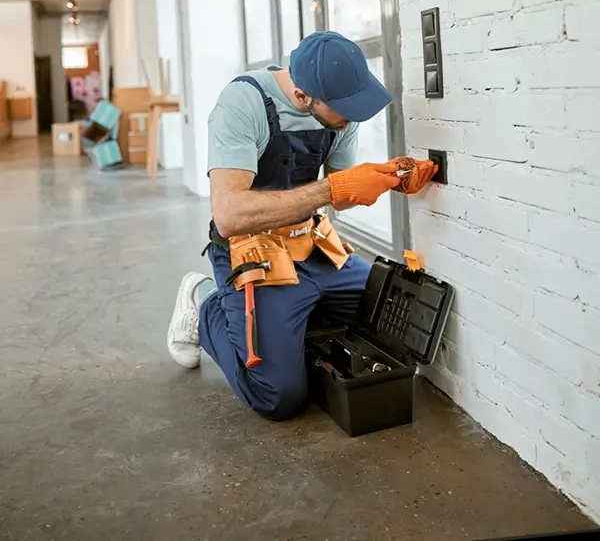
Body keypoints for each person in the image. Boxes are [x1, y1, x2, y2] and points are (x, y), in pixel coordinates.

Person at [167, 31, 437, 420]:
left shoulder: (340, 116)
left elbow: (340, 191)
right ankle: (204, 300)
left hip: (308, 245)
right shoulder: (243, 104)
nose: (352, 116)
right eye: (343, 108)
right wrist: (331, 188)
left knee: (387, 313)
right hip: (251, 252)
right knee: (278, 396)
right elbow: (229, 216)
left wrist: (390, 176)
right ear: (301, 96)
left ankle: (289, 319)